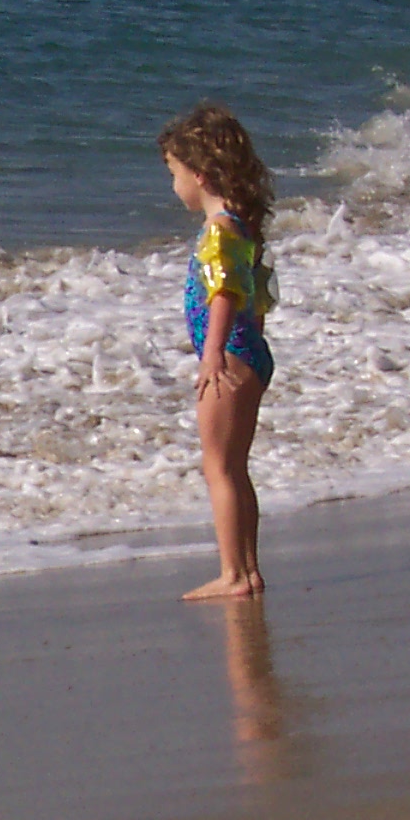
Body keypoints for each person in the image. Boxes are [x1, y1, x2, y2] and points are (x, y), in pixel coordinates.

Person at [159, 103, 274, 601]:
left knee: (218, 468)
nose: (173, 186)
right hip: (249, 352)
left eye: (174, 173)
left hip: (227, 355)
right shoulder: (241, 227)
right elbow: (259, 296)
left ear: (199, 175)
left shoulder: (220, 231)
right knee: (234, 466)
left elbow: (224, 292)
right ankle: (246, 569)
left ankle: (233, 574)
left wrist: (213, 355)